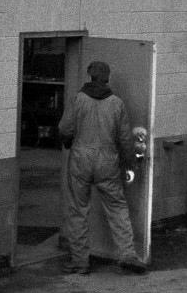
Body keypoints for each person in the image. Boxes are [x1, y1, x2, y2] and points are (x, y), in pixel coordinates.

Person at [59, 60, 147, 275]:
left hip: (80, 161)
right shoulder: (117, 103)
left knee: (78, 210)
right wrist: (130, 163)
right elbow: (125, 139)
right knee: (117, 207)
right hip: (107, 162)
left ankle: (80, 262)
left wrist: (69, 143)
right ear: (107, 78)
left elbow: (64, 128)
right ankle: (127, 254)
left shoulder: (78, 99)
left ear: (90, 76)